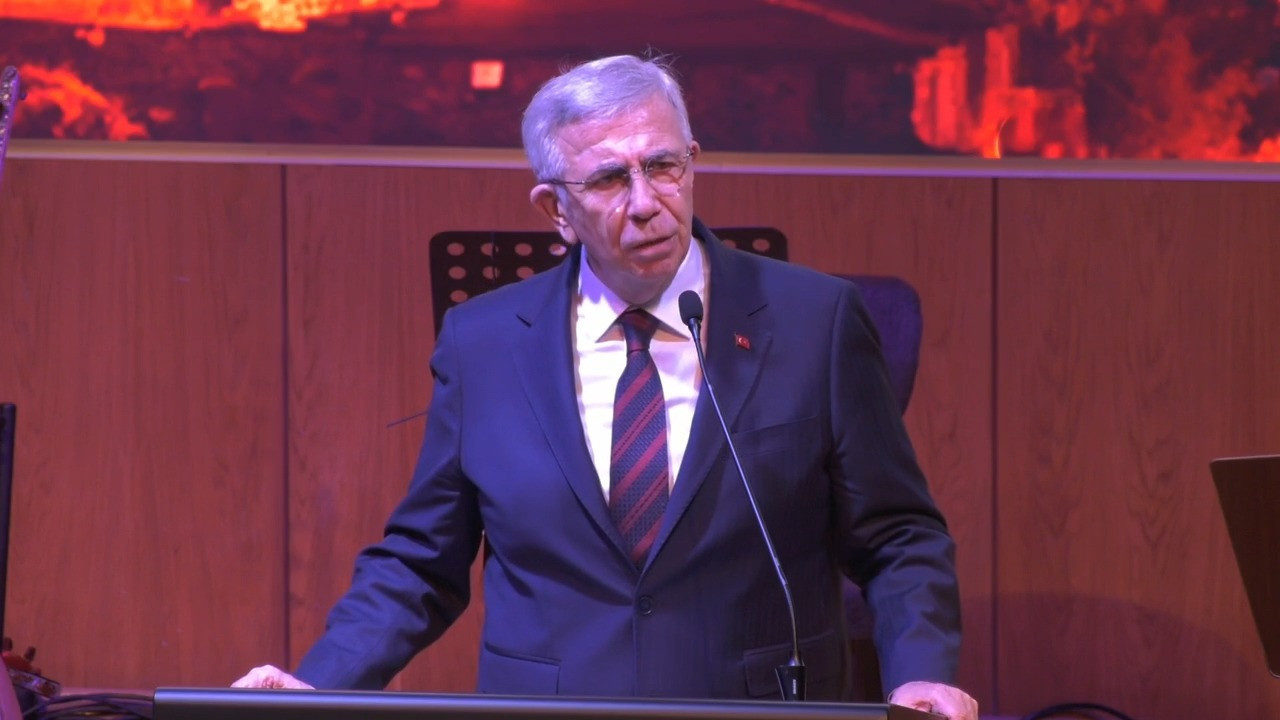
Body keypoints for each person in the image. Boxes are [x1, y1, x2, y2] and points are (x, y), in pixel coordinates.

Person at [235, 54, 977, 719]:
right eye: (610, 179)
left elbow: (898, 535)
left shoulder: (814, 320)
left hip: (757, 708)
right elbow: (423, 561)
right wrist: (318, 684)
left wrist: (921, 676)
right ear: (555, 210)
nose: (647, 201)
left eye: (663, 166)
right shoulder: (484, 343)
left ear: (693, 162)